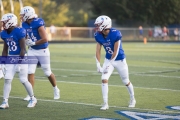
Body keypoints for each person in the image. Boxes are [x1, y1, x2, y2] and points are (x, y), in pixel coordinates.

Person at [94, 15, 136, 110]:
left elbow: (116, 52)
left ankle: (133, 99)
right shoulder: (98, 35)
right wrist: (98, 64)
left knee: (126, 81)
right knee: (104, 78)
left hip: (119, 60)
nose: (97, 27)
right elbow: (97, 51)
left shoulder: (115, 34)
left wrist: (109, 65)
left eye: (98, 25)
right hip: (108, 59)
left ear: (104, 25)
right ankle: (105, 103)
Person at [20, 6, 60, 101]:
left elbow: (45, 39)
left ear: (28, 15)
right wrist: (26, 40)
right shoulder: (24, 24)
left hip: (42, 50)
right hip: (32, 50)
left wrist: (34, 42)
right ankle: (30, 94)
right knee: (30, 71)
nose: (21, 17)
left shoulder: (38, 23)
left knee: (47, 72)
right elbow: (25, 36)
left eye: (23, 15)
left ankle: (55, 89)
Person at [0, 13, 37, 109]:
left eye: (4, 22)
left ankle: (33, 98)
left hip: (21, 56)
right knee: (7, 79)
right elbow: (5, 49)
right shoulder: (4, 33)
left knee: (23, 80)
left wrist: (19, 63)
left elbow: (23, 49)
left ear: (10, 22)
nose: (3, 24)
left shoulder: (20, 31)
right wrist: (3, 63)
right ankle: (5, 101)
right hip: (11, 57)